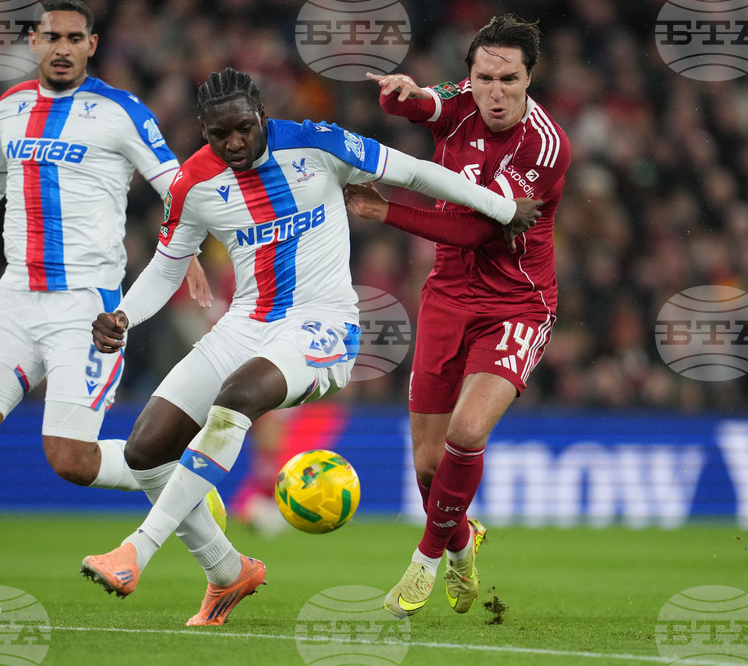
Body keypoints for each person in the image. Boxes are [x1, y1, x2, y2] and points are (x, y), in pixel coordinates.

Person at [78, 66, 540, 626]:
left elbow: (415, 173)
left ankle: (136, 551)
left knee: (240, 394)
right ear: (204, 132)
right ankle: (228, 572)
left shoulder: (317, 143)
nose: (234, 143)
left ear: (261, 118)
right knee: (144, 450)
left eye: (244, 129)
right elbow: (167, 266)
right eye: (220, 135)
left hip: (322, 325)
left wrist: (499, 206)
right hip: (244, 324)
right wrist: (124, 314)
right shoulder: (192, 186)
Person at [0, 0, 211, 614]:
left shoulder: (121, 112)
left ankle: (177, 483)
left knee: (71, 460)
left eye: (73, 37)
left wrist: (185, 252)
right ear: (34, 42)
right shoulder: (10, 108)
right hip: (14, 295)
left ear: (92, 44)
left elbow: (175, 183)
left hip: (85, 306)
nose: (61, 46)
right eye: (50, 36)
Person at [353, 14, 572, 618]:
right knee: (427, 467)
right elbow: (421, 107)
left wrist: (385, 211)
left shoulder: (545, 146)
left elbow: (481, 226)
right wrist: (400, 92)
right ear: (470, 75)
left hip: (517, 302)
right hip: (448, 295)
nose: (495, 92)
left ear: (531, 79)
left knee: (466, 433)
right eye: (484, 78)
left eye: (510, 80)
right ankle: (460, 540)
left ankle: (424, 563)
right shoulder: (462, 99)